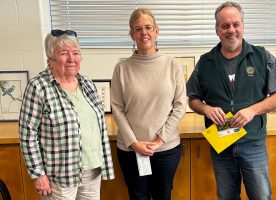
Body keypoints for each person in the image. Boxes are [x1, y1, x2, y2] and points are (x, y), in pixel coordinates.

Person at [187, 1, 276, 200]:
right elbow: (193, 99)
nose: (231, 30)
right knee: (226, 196)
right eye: (225, 26)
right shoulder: (205, 62)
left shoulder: (262, 56)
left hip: (253, 144)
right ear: (217, 29)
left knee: (261, 196)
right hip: (221, 144)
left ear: (243, 25)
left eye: (235, 24)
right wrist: (206, 109)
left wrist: (252, 110)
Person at [19, 29, 115, 200]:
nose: (72, 59)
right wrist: (38, 174)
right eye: (64, 53)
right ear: (51, 59)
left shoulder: (87, 84)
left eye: (76, 53)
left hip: (92, 170)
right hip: (60, 174)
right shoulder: (38, 87)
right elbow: (27, 134)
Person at [111, 8, 186, 200]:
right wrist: (134, 143)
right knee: (138, 196)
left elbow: (179, 106)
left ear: (156, 31)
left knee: (163, 196)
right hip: (131, 150)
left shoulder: (172, 65)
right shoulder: (122, 68)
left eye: (148, 27)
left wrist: (160, 140)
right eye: (138, 29)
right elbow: (117, 109)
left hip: (166, 149)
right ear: (132, 35)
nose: (144, 33)